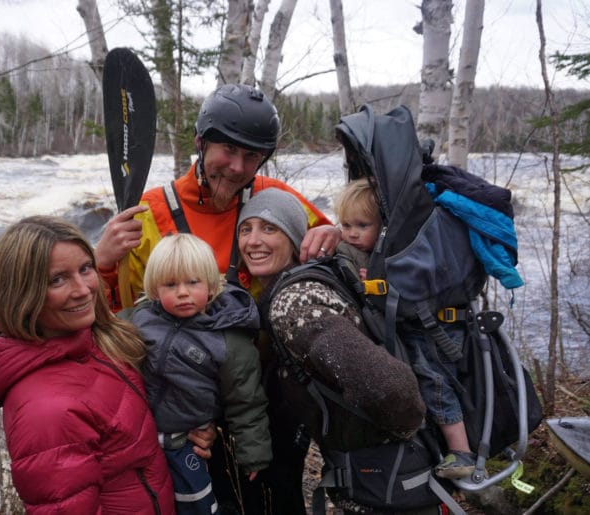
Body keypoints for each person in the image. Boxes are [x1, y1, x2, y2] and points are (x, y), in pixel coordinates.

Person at [96, 83, 342, 514]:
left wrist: (333, 233)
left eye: (252, 156)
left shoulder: (274, 197)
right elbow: (119, 323)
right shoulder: (151, 212)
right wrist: (101, 262)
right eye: (227, 149)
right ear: (199, 142)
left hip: (266, 393)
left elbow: (337, 250)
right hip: (190, 403)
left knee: (278, 499)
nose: (237, 167)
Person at [0, 216, 213, 514]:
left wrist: (178, 426)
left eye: (85, 268)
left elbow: (122, 426)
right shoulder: (47, 413)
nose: (83, 289)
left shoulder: (93, 337)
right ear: (22, 292)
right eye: (57, 279)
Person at [237, 187, 426, 451]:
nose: (253, 240)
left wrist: (402, 434)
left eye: (270, 229)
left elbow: (390, 387)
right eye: (245, 230)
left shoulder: (294, 303)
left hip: (384, 463)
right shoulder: (300, 284)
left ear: (294, 239)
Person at [334, 179, 477, 479]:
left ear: (384, 226)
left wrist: (377, 280)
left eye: (361, 225)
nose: (351, 233)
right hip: (425, 329)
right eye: (345, 225)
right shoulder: (377, 252)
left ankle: (462, 453)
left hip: (436, 331)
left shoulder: (398, 256)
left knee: (434, 383)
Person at [129, 233, 272, 514]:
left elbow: (246, 400)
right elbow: (106, 335)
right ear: (156, 290)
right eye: (171, 284)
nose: (182, 292)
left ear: (210, 285)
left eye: (193, 282)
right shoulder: (142, 318)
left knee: (194, 503)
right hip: (143, 437)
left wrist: (252, 453)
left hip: (187, 441)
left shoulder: (227, 339)